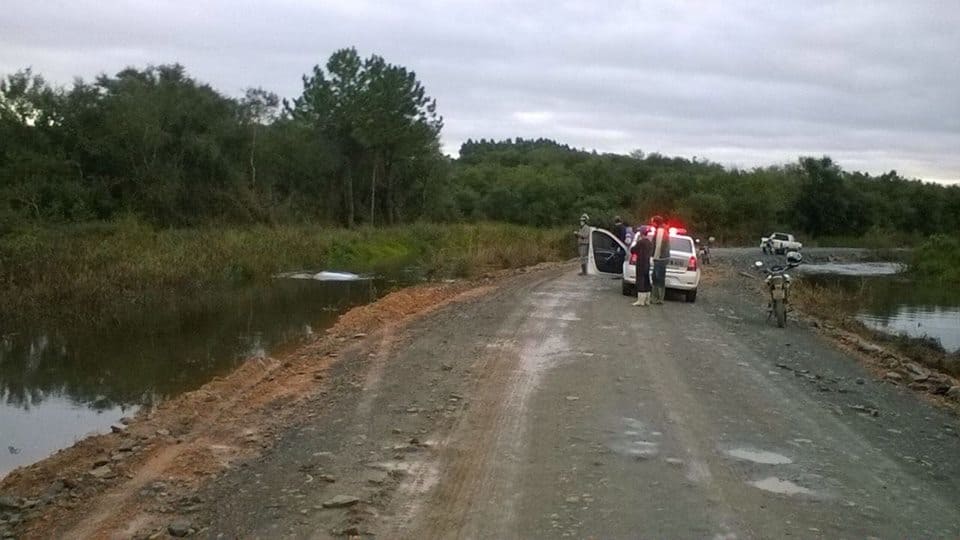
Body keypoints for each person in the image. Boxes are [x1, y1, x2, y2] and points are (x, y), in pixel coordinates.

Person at [631, 225, 653, 306]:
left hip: (640, 263)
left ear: (641, 233)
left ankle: (640, 301)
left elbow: (633, 250)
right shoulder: (650, 243)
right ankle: (647, 300)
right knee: (647, 281)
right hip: (647, 263)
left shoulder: (640, 242)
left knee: (640, 281)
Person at [650, 215, 670, 304]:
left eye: (653, 222)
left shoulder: (660, 231)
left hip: (660, 258)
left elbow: (658, 245)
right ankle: (657, 297)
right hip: (662, 258)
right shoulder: (662, 230)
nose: (652, 224)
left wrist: (655, 257)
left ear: (656, 222)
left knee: (658, 277)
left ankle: (658, 298)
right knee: (656, 277)